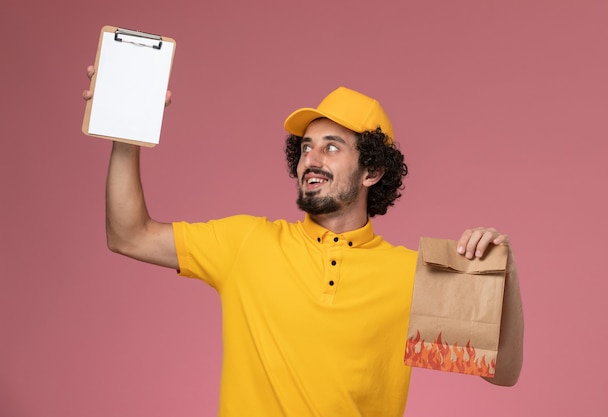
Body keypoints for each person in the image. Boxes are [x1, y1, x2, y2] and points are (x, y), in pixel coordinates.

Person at [83, 66, 523, 417]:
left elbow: (503, 373)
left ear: (372, 171)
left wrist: (507, 275)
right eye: (306, 147)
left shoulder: (411, 274)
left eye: (332, 147)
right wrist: (127, 131)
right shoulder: (247, 243)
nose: (310, 158)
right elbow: (129, 235)